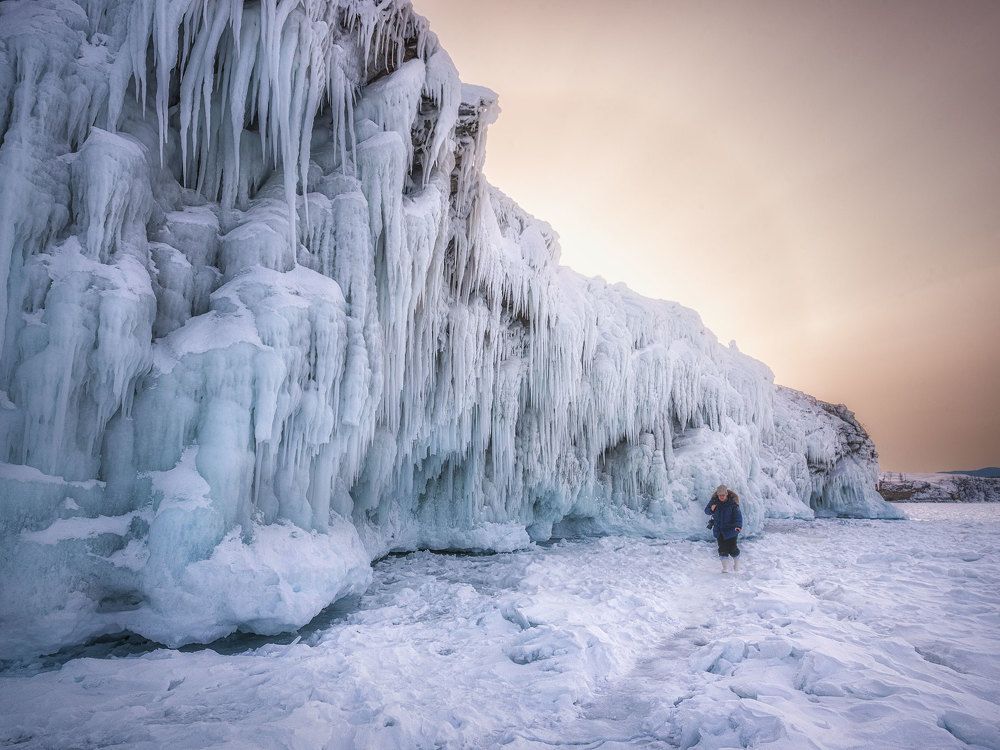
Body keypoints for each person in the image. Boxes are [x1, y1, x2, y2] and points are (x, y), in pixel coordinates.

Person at [705, 484, 742, 573]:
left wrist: (738, 527)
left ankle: (736, 564)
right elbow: (707, 511)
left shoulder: (733, 504)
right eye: (719, 495)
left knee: (732, 548)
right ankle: (725, 568)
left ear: (726, 494)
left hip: (731, 530)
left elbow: (738, 517)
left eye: (723, 495)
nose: (721, 497)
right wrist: (712, 509)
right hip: (719, 530)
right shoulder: (714, 502)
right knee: (722, 549)